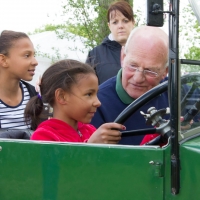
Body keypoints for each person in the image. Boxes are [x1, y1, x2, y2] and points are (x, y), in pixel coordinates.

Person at [91, 26, 169, 145]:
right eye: (133, 66)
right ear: (123, 57)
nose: (138, 78)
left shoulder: (179, 94)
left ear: (165, 72)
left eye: (150, 71)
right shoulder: (96, 104)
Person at [25, 59, 126, 144]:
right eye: (89, 94)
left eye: (96, 94)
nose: (98, 102)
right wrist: (91, 146)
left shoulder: (89, 130)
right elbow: (58, 167)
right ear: (62, 96)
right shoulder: (44, 136)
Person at [86, 0, 135, 85]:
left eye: (125, 21)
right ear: (109, 26)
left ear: (133, 23)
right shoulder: (95, 54)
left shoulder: (144, 52)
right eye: (115, 22)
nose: (120, 26)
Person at [0, 30, 38, 132]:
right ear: (3, 60)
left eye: (34, 55)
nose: (35, 62)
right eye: (27, 55)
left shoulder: (35, 96)